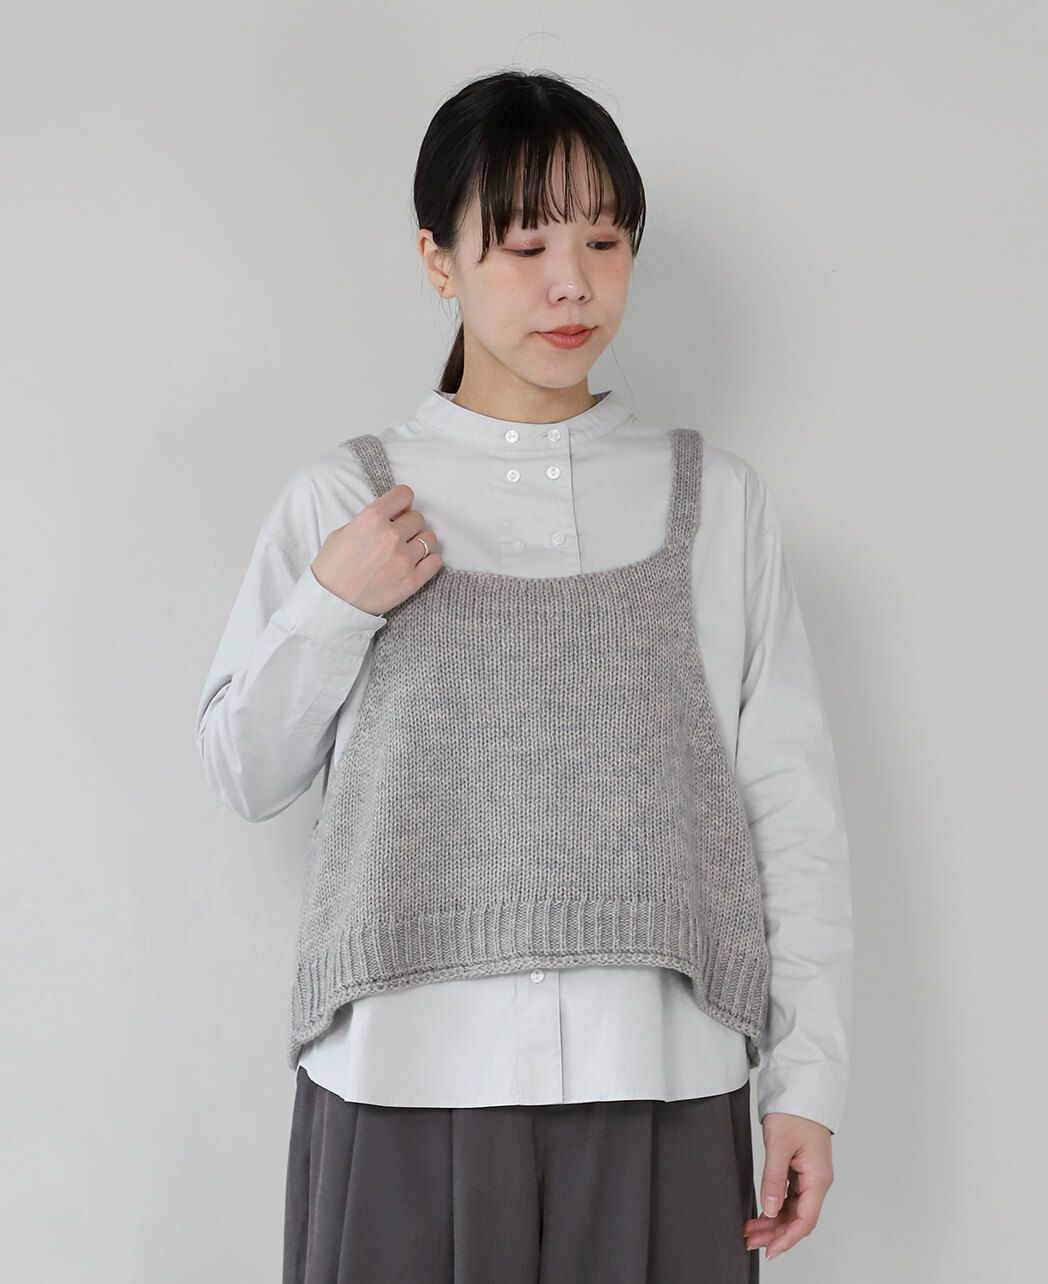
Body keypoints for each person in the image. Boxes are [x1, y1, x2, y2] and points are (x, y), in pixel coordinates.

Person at [195, 68, 853, 1283]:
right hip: (401, 1080)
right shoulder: (345, 500)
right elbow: (244, 770)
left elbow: (788, 812)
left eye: (603, 240)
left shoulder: (717, 505)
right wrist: (335, 603)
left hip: (661, 1079)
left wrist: (805, 1083)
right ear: (438, 261)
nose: (572, 284)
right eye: (524, 243)